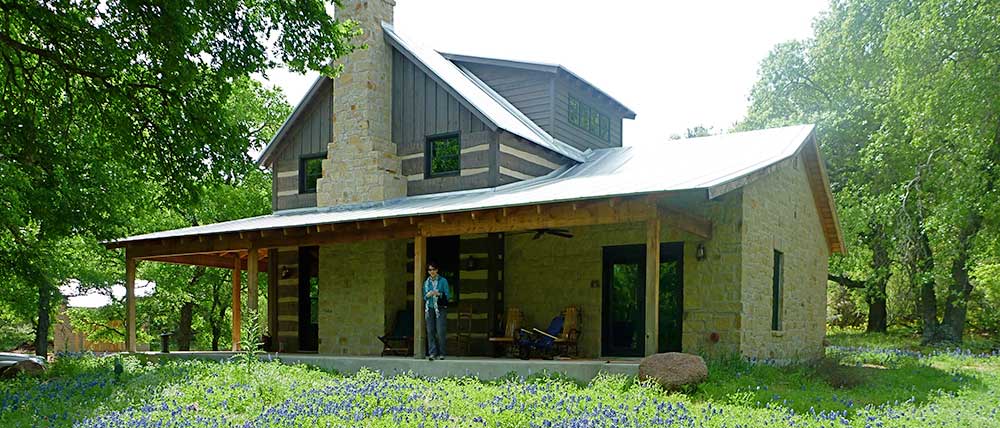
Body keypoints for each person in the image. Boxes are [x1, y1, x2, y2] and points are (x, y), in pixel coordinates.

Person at [423, 262, 450, 360]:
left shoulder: (443, 281)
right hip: (429, 308)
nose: (432, 271)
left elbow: (448, 295)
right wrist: (428, 295)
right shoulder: (426, 283)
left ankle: (442, 353)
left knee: (440, 331)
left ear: (437, 270)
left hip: (440, 308)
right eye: (430, 270)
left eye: (433, 269)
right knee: (430, 331)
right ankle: (432, 353)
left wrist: (438, 294)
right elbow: (424, 296)